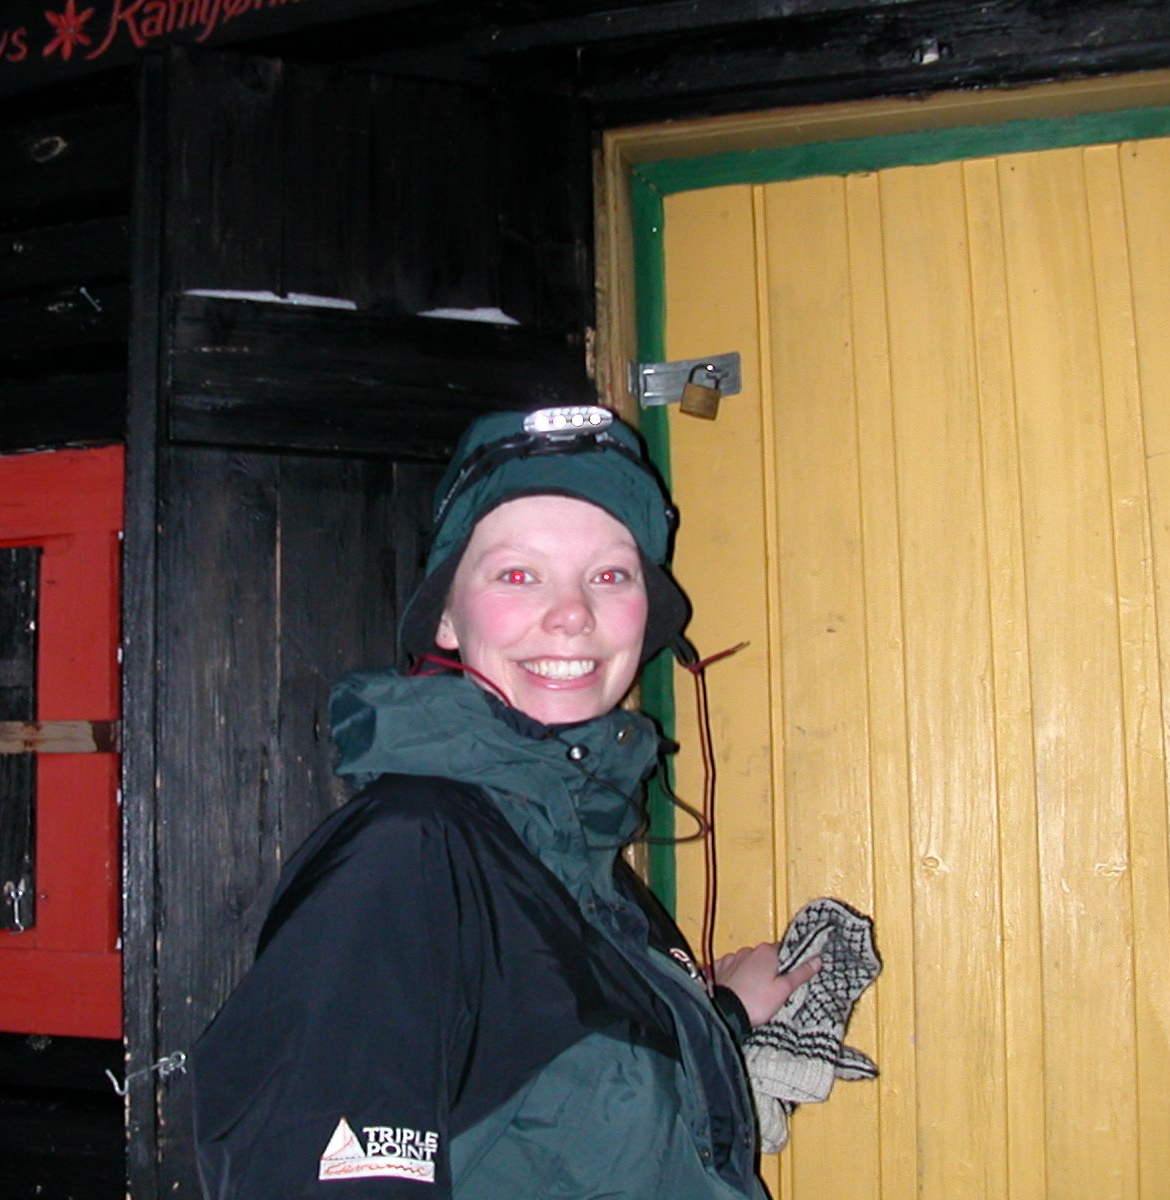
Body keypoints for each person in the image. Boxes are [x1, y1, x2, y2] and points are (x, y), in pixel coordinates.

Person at [190, 405, 819, 1199]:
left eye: (610, 574)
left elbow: (556, 1086)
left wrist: (717, 1015)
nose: (572, 613)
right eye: (518, 574)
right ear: (446, 618)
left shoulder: (576, 863)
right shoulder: (408, 860)